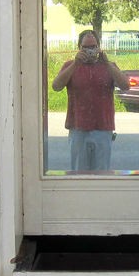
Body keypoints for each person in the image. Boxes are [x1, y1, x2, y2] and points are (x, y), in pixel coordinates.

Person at [52, 29, 131, 171]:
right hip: (78, 128)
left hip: (103, 128)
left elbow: (125, 86)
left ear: (99, 47)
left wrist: (107, 64)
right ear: (79, 48)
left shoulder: (109, 66)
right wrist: (75, 64)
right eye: (86, 47)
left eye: (93, 46)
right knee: (78, 172)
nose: (90, 51)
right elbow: (56, 86)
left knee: (102, 173)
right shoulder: (70, 66)